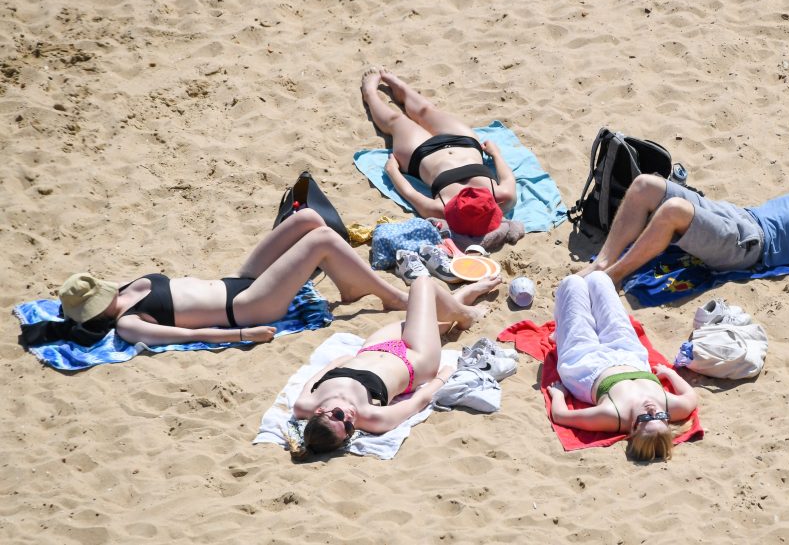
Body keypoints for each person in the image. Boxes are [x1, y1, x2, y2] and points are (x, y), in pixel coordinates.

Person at [58, 209, 498, 346]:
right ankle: (389, 296)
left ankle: (354, 284)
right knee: (321, 241)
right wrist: (245, 333)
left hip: (236, 282)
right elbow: (189, 337)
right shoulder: (130, 324)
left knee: (306, 218)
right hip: (246, 307)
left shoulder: (125, 289)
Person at [581, 130, 789, 286]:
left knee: (673, 210)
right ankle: (602, 263)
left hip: (751, 245)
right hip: (740, 215)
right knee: (645, 185)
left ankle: (613, 278)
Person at [292, 275, 464, 454]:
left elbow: (315, 379)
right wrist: (443, 376)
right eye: (349, 428)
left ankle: (460, 305)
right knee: (422, 284)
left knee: (434, 319)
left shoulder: (304, 405)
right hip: (416, 359)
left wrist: (337, 363)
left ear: (320, 411)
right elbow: (417, 402)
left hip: (374, 346)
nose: (349, 418)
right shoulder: (372, 418)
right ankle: (466, 311)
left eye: (339, 415)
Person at [546, 272, 698, 461]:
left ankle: (561, 334)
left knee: (572, 283)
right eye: (660, 417)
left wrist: (559, 394)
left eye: (646, 419)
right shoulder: (674, 407)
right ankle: (564, 332)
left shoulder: (612, 416)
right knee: (599, 279)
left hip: (586, 364)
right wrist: (669, 374)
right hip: (629, 354)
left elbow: (561, 416)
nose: (652, 411)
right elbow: (691, 396)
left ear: (633, 426)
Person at [360, 67, 517, 237]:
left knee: (396, 121)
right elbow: (507, 177)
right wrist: (496, 154)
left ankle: (370, 95)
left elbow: (409, 192)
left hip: (421, 154)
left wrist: (392, 171)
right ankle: (401, 89)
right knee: (427, 111)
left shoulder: (440, 208)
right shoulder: (504, 196)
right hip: (464, 142)